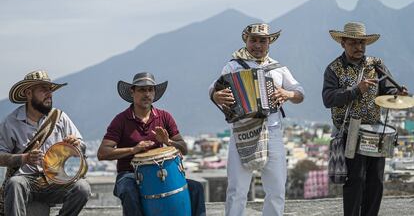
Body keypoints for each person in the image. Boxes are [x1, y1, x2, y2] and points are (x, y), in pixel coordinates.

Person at [209, 23, 304, 216]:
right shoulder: (232, 66)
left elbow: (300, 93)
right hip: (242, 131)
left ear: (269, 43)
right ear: (246, 40)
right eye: (254, 40)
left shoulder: (279, 68)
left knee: (276, 189)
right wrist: (216, 96)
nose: (258, 45)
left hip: (273, 133)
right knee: (237, 189)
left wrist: (287, 93)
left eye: (263, 40)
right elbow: (213, 89)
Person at [322, 22, 409, 216]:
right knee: (355, 180)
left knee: (375, 180)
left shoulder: (376, 65)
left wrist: (398, 93)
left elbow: (389, 89)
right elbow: (328, 99)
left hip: (375, 130)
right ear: (343, 43)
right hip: (350, 131)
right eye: (353, 43)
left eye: (362, 43)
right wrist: (355, 91)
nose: (359, 47)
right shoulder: (334, 69)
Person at [97, 72, 206, 216]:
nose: (147, 94)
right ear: (132, 92)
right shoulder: (121, 120)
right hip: (129, 174)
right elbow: (102, 153)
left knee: (196, 188)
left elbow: (184, 148)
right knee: (128, 190)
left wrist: (168, 142)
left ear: (154, 93)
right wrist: (134, 149)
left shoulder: (165, 117)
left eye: (150, 90)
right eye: (142, 90)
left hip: (160, 174)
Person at [0, 70, 91, 216]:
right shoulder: (11, 122)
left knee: (83, 188)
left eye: (50, 90)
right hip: (26, 180)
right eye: (43, 89)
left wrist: (76, 144)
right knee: (14, 183)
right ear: (28, 93)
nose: (49, 94)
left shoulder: (60, 117)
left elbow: (82, 147)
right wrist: (24, 158)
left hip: (56, 181)